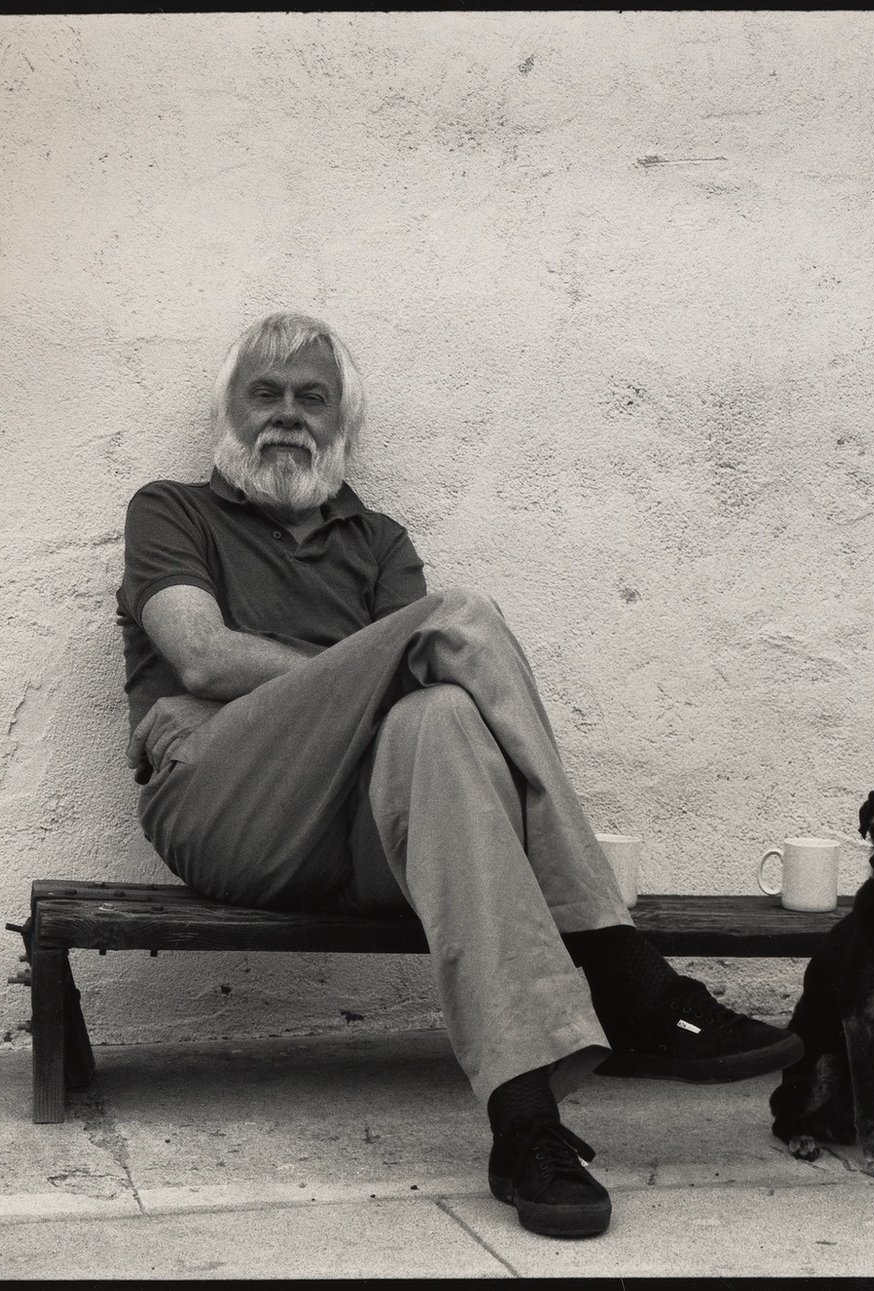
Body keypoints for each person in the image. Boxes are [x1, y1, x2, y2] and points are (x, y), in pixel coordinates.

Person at [116, 311, 801, 1239]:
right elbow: (200, 655)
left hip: (360, 830)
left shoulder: (378, 541)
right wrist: (358, 671)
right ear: (227, 412)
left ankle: (526, 1128)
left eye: (312, 397)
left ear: (344, 422)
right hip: (228, 805)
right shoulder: (171, 510)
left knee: (440, 717)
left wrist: (357, 680)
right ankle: (622, 966)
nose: (288, 414)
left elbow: (431, 693)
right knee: (456, 623)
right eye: (264, 393)